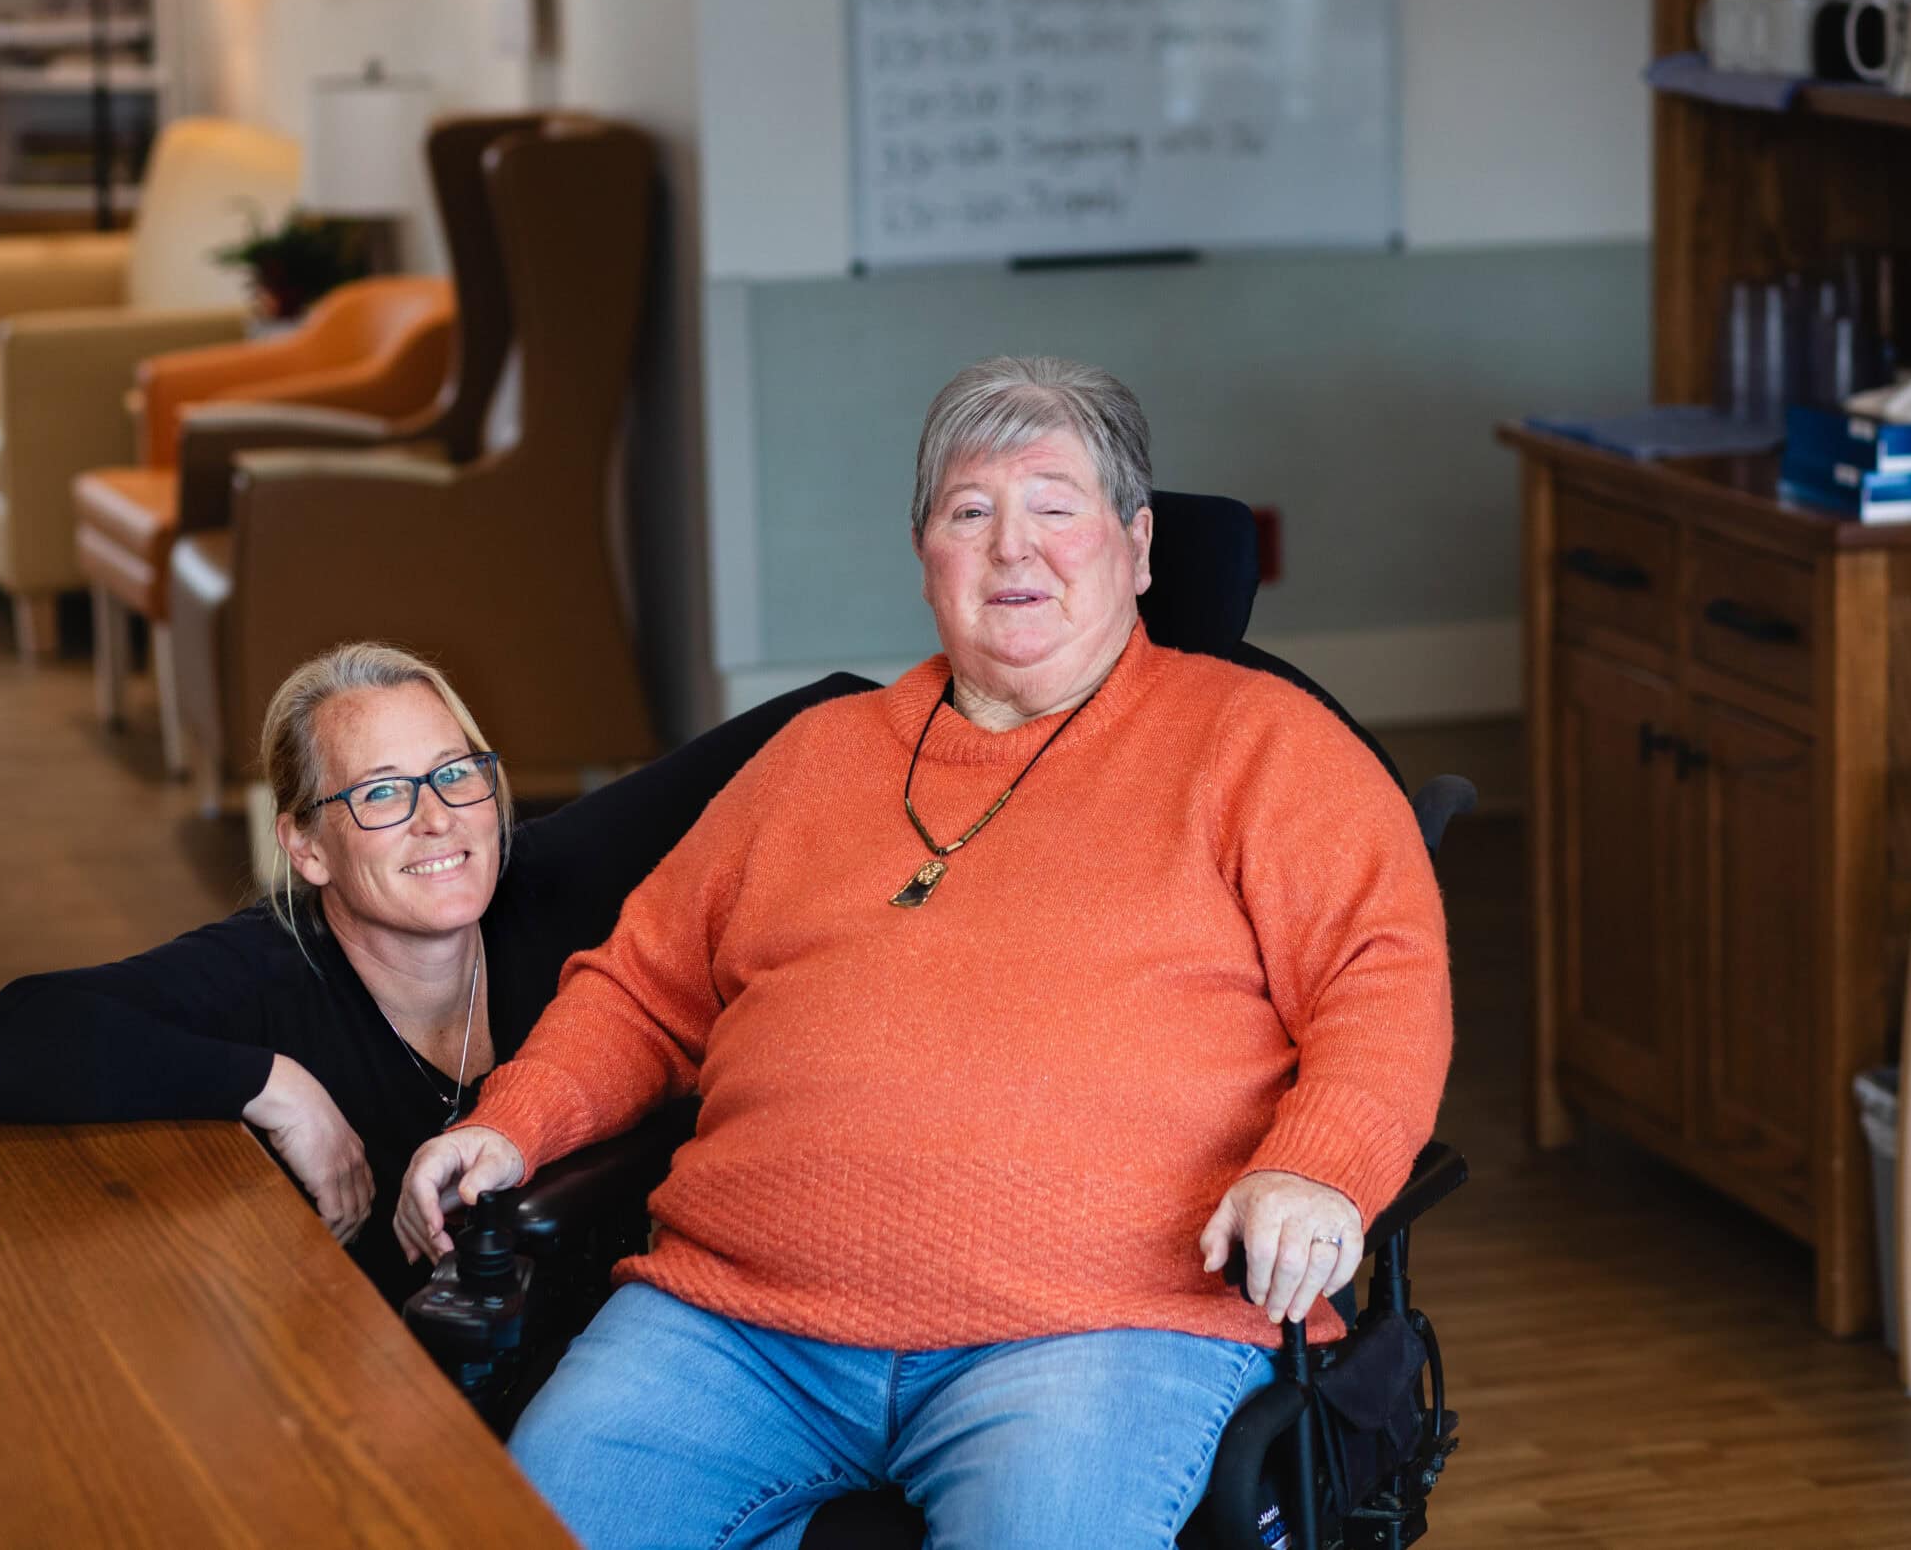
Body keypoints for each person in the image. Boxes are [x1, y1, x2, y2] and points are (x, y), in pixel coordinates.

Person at [397, 356, 1453, 1548]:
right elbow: (640, 990)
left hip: (1102, 1329)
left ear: (1138, 547)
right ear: (925, 558)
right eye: (969, 512)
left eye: (1055, 505)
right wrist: (511, 1119)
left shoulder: (1262, 746)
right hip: (738, 1324)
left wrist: (1317, 1168)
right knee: (534, 1517)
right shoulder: (814, 757)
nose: (1013, 548)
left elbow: (1386, 977)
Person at [0, 641, 529, 1306]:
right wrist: (269, 1083)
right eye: (383, 791)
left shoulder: (538, 879)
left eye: (454, 773)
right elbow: (1, 1044)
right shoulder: (266, 967)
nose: (438, 818)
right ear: (308, 849)